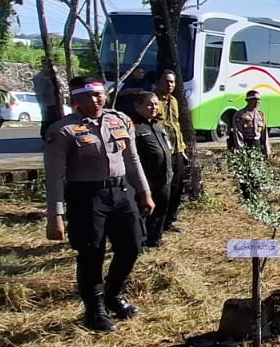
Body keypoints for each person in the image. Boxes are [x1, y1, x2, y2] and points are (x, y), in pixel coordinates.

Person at [43, 78, 154, 332]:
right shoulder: (63, 131)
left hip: (121, 191)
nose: (97, 100)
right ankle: (94, 310)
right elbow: (54, 177)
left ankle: (113, 294)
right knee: (92, 253)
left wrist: (144, 191)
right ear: (77, 100)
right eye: (90, 96)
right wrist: (55, 216)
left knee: (133, 245)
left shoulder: (119, 120)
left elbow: (132, 158)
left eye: (100, 94)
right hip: (86, 196)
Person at [121, 91, 174, 249]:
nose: (154, 107)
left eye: (156, 104)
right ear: (137, 106)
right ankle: (140, 241)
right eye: (149, 104)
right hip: (145, 179)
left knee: (161, 209)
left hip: (164, 176)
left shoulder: (158, 124)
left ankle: (155, 239)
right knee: (143, 212)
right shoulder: (133, 126)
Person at [154, 70, 189, 235]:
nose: (170, 85)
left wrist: (182, 150)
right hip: (163, 153)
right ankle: (156, 226)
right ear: (158, 82)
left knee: (177, 188)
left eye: (172, 82)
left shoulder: (173, 100)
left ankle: (170, 221)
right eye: (167, 81)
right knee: (162, 189)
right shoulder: (152, 100)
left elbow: (176, 125)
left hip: (177, 150)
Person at [228, 90, 271, 200]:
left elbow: (264, 134)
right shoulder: (241, 115)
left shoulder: (261, 115)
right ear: (248, 100)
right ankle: (246, 194)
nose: (257, 102)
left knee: (257, 169)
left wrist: (267, 150)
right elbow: (237, 133)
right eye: (254, 99)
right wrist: (241, 149)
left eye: (258, 100)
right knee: (246, 170)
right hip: (245, 144)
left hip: (256, 145)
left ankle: (256, 192)